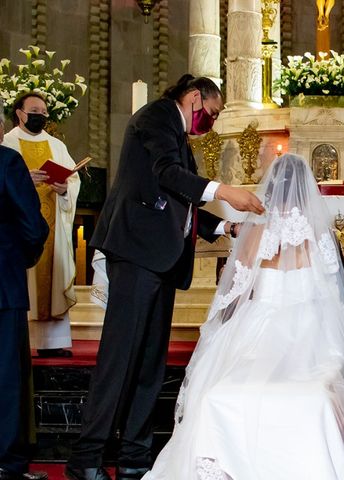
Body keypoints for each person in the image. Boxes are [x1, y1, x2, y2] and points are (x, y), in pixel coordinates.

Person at [65, 75, 264, 480]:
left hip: (159, 259)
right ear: (194, 97)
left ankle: (134, 455)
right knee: (121, 357)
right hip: (137, 252)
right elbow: (166, 174)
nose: (210, 120)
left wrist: (226, 229)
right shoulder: (157, 117)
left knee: (150, 363)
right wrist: (225, 191)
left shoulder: (177, 134)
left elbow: (182, 200)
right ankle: (86, 458)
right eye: (211, 112)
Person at [143, 154, 344, 480]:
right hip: (314, 324)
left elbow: (237, 292)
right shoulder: (319, 232)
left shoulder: (255, 233)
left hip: (259, 322)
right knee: (339, 365)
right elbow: (335, 289)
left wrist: (221, 328)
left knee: (222, 385)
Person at [2, 92, 81, 358]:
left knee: (51, 279)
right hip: (17, 233)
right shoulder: (8, 143)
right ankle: (24, 341)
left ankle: (52, 342)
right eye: (34, 110)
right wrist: (25, 179)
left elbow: (73, 180)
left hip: (50, 226)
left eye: (44, 112)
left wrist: (63, 190)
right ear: (20, 113)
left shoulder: (56, 145)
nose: (40, 116)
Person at [0, 102, 50, 480]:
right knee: (5, 378)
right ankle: (8, 465)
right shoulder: (8, 162)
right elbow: (33, 226)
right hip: (3, 288)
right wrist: (22, 261)